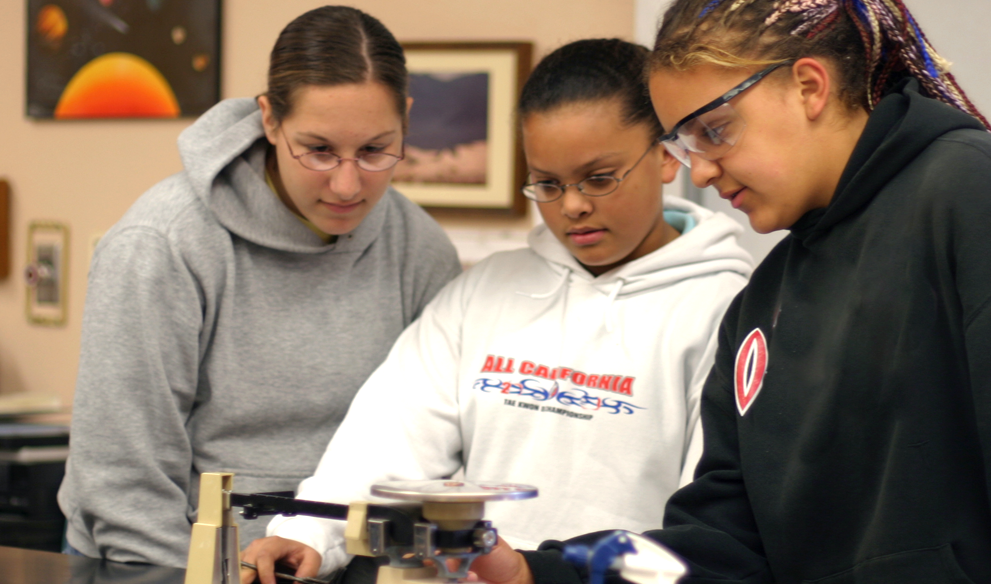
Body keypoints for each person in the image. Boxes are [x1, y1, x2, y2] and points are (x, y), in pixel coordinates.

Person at [471, 0, 991, 584]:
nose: (702, 170)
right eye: (686, 143)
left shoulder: (977, 200)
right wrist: (542, 574)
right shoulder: (767, 299)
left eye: (715, 130)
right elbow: (726, 549)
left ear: (809, 86)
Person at [239, 39, 753, 584]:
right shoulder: (484, 290)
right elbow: (388, 439)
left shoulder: (726, 311)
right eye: (547, 183)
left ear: (667, 155)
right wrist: (307, 534)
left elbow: (709, 531)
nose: (573, 205)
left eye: (600, 178)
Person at [57, 5, 462, 567]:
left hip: (342, 562)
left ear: (407, 121)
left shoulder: (420, 249)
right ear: (269, 120)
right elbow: (123, 485)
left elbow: (430, 449)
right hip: (170, 563)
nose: (348, 184)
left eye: (374, 150)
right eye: (318, 150)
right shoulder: (162, 244)